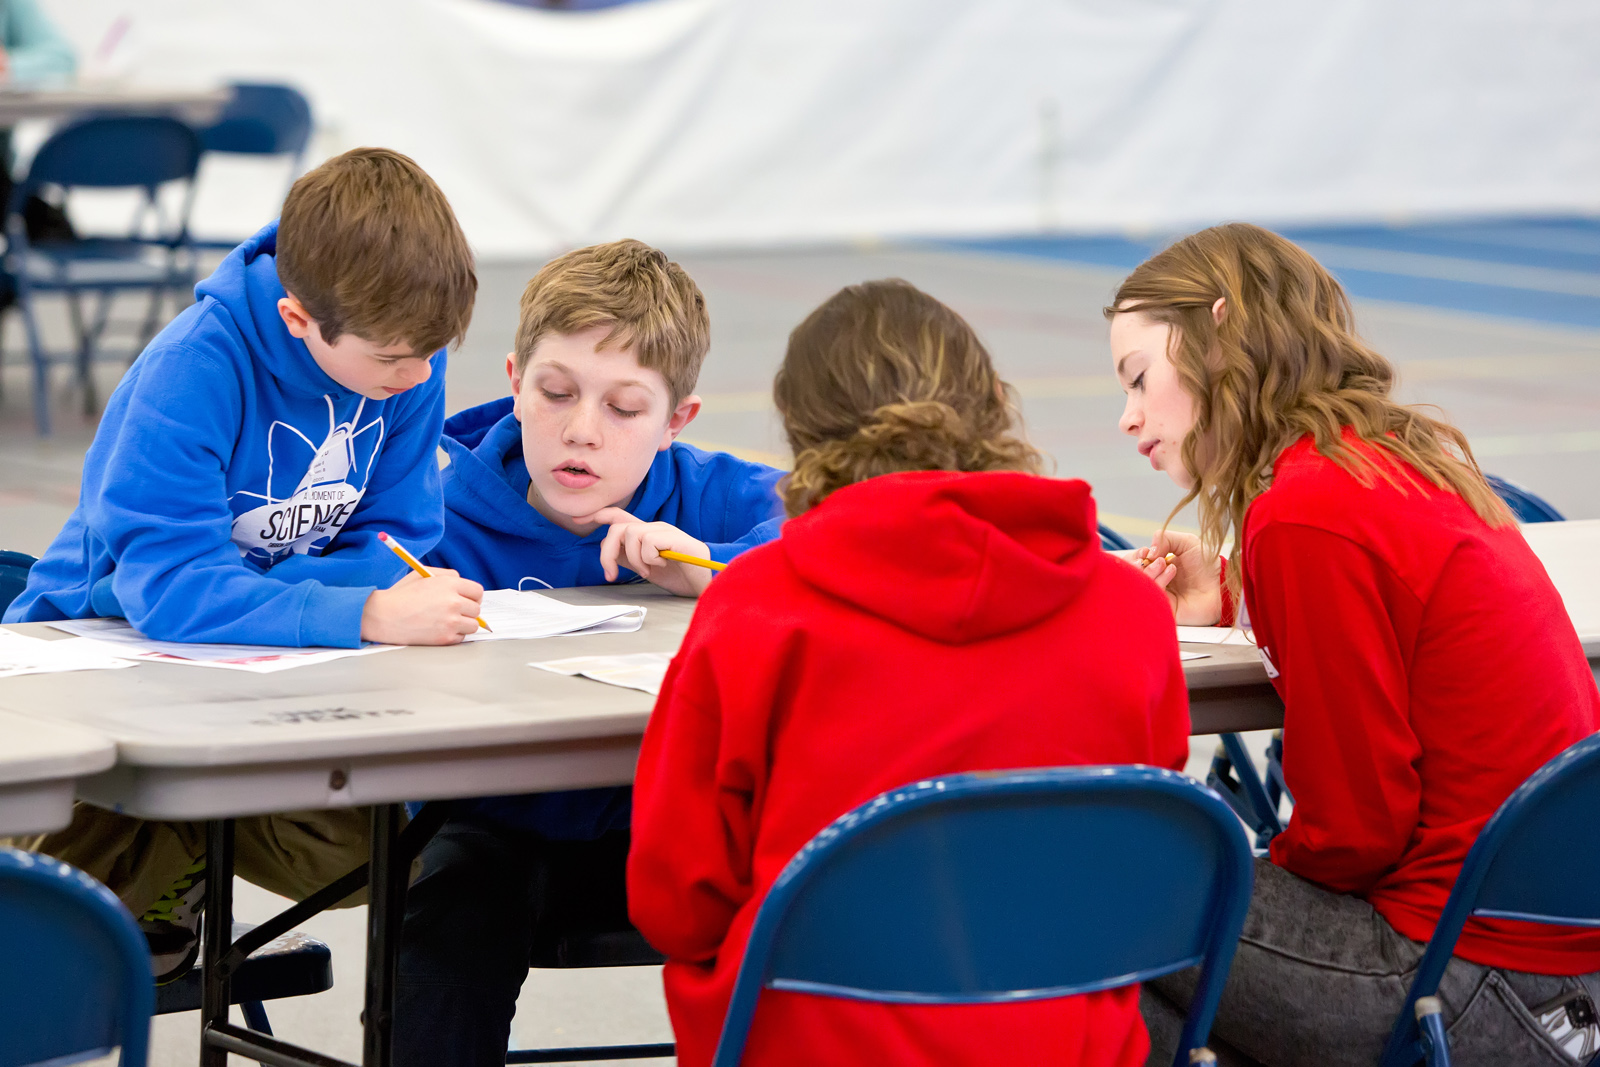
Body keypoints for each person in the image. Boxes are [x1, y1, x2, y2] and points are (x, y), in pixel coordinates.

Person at [627, 278, 1191, 1067]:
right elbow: (1136, 859)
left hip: (811, 1044)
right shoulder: (1131, 612)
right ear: (993, 403)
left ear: (804, 435)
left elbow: (676, 901)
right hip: (1062, 1044)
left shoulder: (756, 608)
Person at [1109, 223, 1600, 1067]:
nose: (1129, 418)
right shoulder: (1388, 461)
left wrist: (1256, 872)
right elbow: (1398, 614)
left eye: (1140, 378)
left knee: (1111, 893)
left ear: (1220, 333)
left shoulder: (1303, 510)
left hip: (1465, 977)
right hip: (1557, 959)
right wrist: (1231, 593)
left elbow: (1356, 830)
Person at [3, 147, 484, 982]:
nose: (414, 378)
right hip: (91, 687)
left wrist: (317, 594)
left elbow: (395, 545)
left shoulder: (408, 361)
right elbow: (170, 590)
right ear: (299, 319)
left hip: (262, 673)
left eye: (429, 355)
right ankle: (145, 897)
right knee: (78, 942)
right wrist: (360, 611)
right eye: (391, 359)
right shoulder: (192, 370)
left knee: (409, 839)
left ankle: (172, 881)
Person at [394, 239, 786, 1067]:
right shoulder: (431, 512)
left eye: (624, 408)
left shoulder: (708, 489)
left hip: (671, 831)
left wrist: (713, 571)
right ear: (513, 381)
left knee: (808, 891)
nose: (581, 430)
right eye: (557, 392)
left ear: (677, 420)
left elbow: (841, 524)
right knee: (447, 912)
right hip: (492, 826)